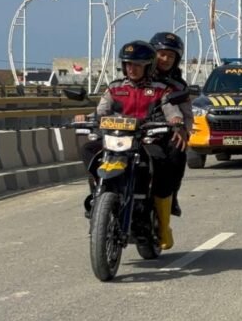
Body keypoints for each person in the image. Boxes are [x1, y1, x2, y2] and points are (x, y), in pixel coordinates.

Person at [80, 40, 187, 250]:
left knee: (162, 162)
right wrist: (86, 118)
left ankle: (163, 226)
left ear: (148, 66)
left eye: (137, 65)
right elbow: (100, 112)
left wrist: (176, 121)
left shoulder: (161, 90)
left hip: (145, 140)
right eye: (128, 64)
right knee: (88, 150)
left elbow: (172, 111)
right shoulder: (115, 88)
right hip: (116, 139)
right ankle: (97, 194)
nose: (132, 69)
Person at [148, 32, 193, 219]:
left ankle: (171, 195)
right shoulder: (139, 77)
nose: (165, 59)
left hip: (167, 131)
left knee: (177, 150)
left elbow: (187, 114)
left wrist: (183, 130)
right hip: (134, 130)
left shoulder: (178, 86)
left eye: (171, 56)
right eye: (162, 54)